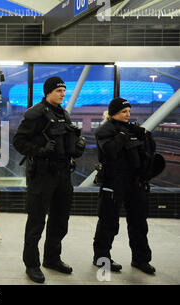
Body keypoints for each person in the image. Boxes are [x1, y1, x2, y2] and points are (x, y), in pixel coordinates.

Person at [13, 76, 85, 283]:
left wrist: (76, 147)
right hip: (42, 175)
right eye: (58, 91)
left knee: (60, 220)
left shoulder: (64, 114)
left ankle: (52, 258)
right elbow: (19, 141)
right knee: (36, 222)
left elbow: (67, 140)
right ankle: (32, 264)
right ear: (48, 92)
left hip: (63, 174)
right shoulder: (35, 114)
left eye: (64, 90)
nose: (63, 94)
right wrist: (40, 150)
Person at [92, 97, 160, 275]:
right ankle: (101, 258)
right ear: (114, 112)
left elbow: (148, 151)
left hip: (134, 181)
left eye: (129, 111)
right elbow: (110, 152)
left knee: (139, 221)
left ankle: (141, 259)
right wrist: (122, 137)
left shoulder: (133, 129)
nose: (127, 115)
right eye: (124, 112)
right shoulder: (104, 130)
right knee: (108, 221)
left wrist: (145, 135)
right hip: (113, 181)